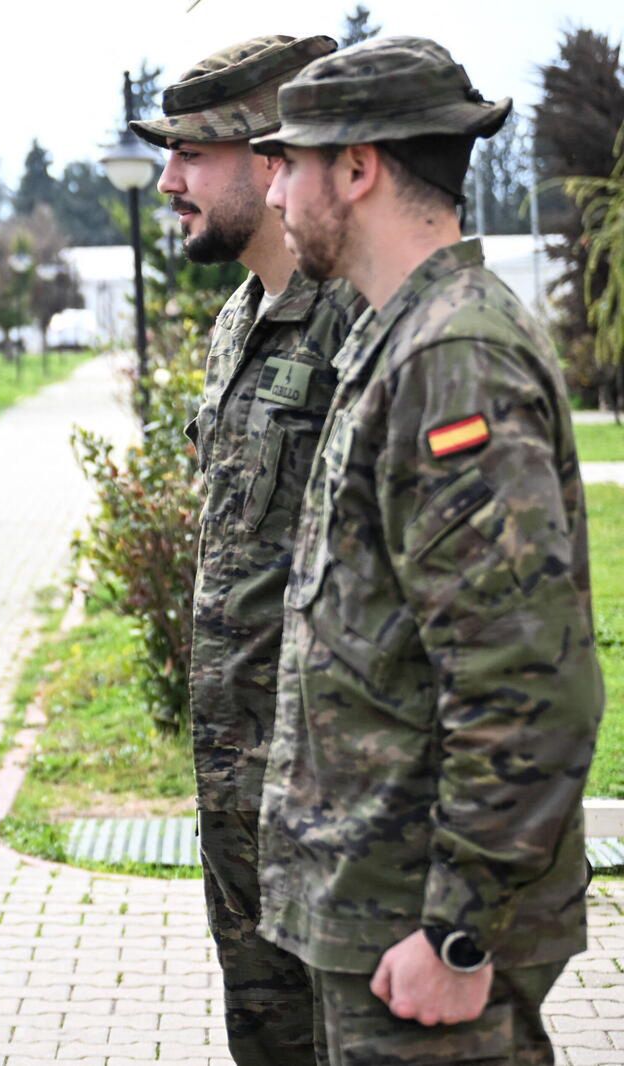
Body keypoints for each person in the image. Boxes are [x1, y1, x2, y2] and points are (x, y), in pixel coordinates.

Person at [251, 37, 604, 1063]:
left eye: (291, 163)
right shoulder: (400, 333)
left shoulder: (454, 356)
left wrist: (459, 930)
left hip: (421, 932)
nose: (274, 193)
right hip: (375, 909)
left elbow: (524, 677)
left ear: (358, 167)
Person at [130, 33, 365, 1065]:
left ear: (271, 158)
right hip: (240, 804)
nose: (167, 183)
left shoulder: (362, 319)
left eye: (191, 155)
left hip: (340, 815)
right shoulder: (238, 319)